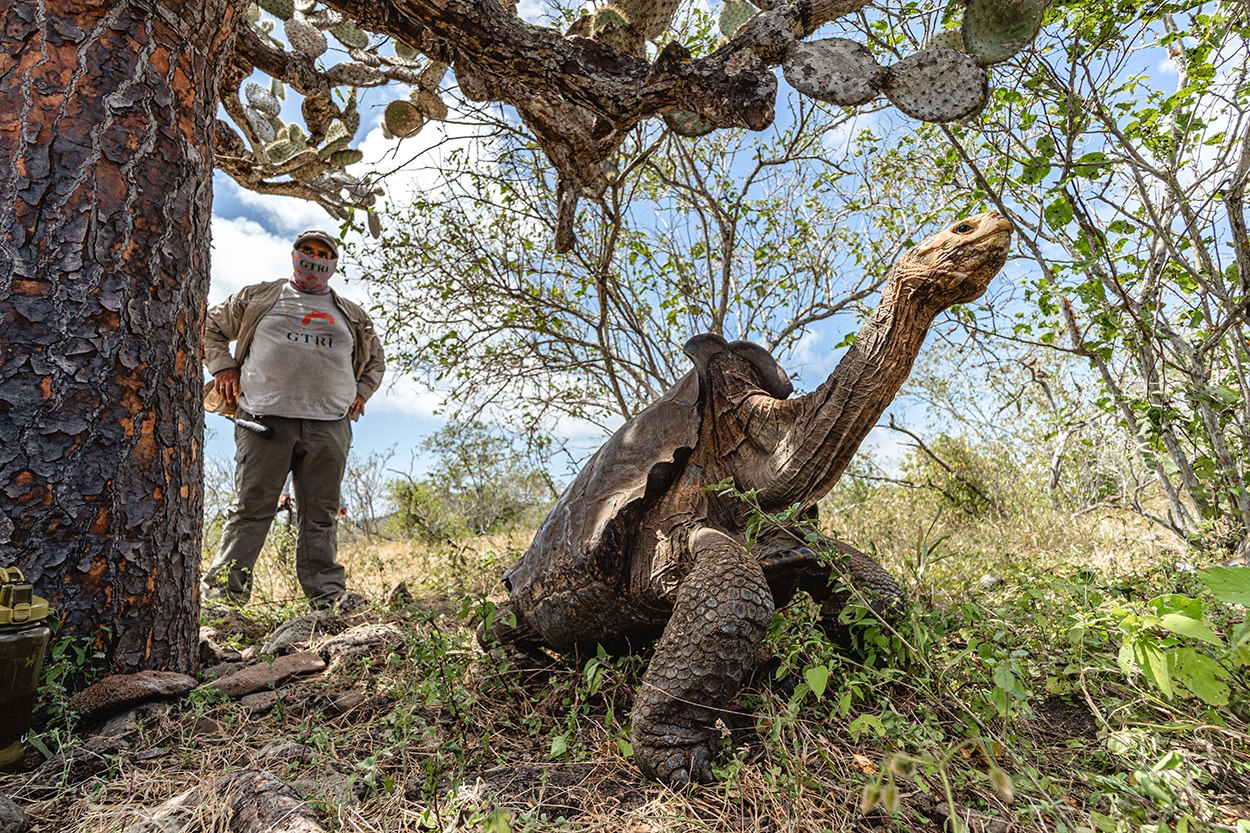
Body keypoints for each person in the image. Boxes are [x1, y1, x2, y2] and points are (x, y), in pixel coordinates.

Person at [202, 229, 386, 606]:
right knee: (251, 509)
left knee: (320, 513)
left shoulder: (351, 314)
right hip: (264, 420)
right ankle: (224, 599)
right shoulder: (259, 296)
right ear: (294, 255)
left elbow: (376, 361)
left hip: (330, 424)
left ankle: (326, 598)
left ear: (333, 264)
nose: (314, 258)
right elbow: (210, 327)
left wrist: (362, 392)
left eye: (323, 253)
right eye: (307, 250)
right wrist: (223, 368)